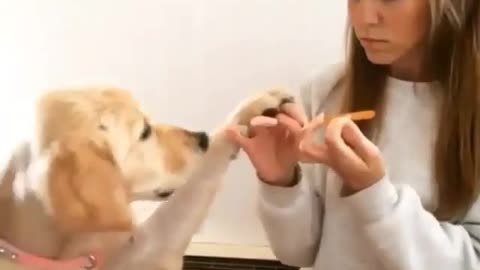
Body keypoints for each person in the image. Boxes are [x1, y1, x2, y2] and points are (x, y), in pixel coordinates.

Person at [227, 0, 480, 269]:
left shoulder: (469, 112)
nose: (365, 18)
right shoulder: (326, 90)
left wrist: (374, 195)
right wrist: (281, 182)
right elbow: (299, 253)